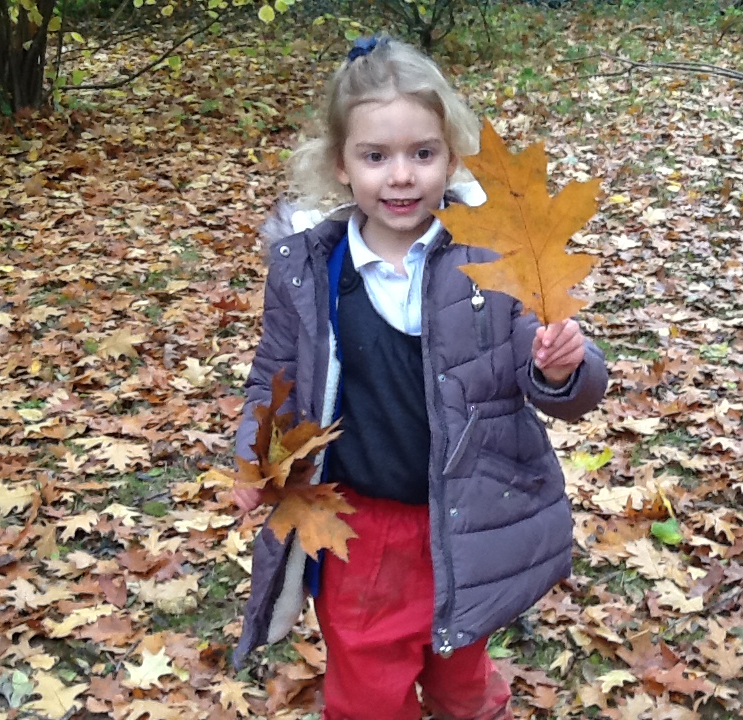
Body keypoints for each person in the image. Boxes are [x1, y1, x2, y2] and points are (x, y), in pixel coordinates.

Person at [230, 35, 608, 720]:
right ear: (341, 164)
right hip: (357, 524)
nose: (400, 176)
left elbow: (555, 375)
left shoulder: (490, 261)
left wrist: (563, 369)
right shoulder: (310, 271)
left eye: (422, 154)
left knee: (460, 669)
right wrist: (251, 459)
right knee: (370, 686)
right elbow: (273, 375)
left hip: (463, 514)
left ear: (451, 158)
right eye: (376, 156)